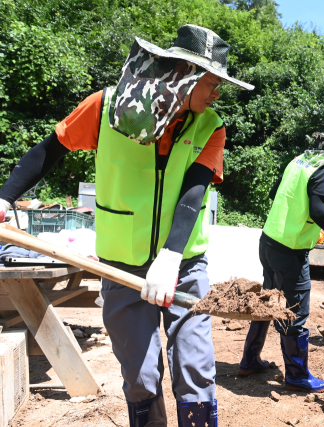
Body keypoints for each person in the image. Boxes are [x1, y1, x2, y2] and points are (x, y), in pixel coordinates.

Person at [0, 25, 253, 427]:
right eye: (212, 82)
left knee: (196, 368)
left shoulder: (211, 126)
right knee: (139, 376)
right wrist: (5, 197)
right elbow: (50, 151)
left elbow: (193, 194)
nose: (217, 93)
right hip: (121, 267)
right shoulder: (106, 107)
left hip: (185, 265)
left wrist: (170, 258)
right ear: (184, 74)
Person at [237, 124, 324, 392]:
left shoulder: (301, 160)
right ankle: (297, 375)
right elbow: (317, 210)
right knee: (296, 311)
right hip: (290, 250)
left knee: (268, 300)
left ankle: (249, 359)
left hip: (269, 241)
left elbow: (274, 193)